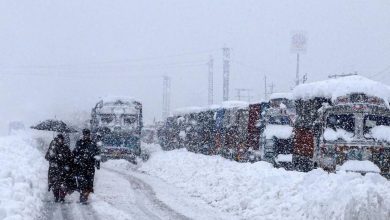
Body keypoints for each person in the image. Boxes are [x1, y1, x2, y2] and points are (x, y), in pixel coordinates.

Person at [73, 128, 101, 204]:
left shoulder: (93, 144)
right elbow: (75, 153)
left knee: (89, 182)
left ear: (89, 135)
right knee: (81, 181)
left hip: (90, 166)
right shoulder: (79, 143)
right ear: (83, 135)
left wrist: (97, 163)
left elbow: (97, 154)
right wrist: (76, 160)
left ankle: (85, 196)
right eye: (85, 134)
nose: (86, 136)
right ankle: (82, 196)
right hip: (81, 166)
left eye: (88, 134)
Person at [45, 134, 74, 202]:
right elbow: (47, 156)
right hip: (54, 169)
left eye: (62, 139)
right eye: (60, 139)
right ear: (57, 139)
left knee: (63, 183)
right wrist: (54, 157)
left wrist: (65, 158)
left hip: (63, 169)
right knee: (55, 184)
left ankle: (62, 196)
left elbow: (69, 157)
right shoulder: (53, 146)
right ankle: (56, 196)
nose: (61, 141)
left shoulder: (65, 147)